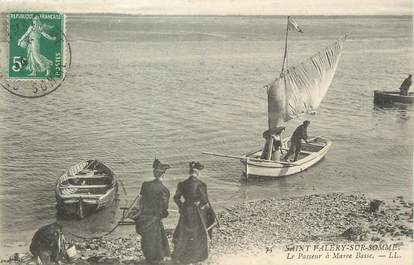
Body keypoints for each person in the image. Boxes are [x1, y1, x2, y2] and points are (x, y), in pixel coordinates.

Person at [172, 161, 215, 265]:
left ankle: (182, 256)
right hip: (197, 212)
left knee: (184, 232)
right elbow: (205, 200)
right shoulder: (201, 184)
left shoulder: (181, 184)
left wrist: (182, 206)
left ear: (190, 172)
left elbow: (176, 198)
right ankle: (198, 257)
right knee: (199, 233)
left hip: (186, 211)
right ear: (197, 172)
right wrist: (204, 206)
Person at [135, 159, 171, 264]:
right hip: (154, 218)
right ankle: (156, 260)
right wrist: (164, 214)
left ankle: (149, 259)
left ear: (154, 173)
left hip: (143, 217)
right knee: (157, 239)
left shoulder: (145, 185)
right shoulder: (164, 190)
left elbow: (140, 201)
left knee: (147, 239)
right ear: (163, 175)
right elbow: (164, 209)